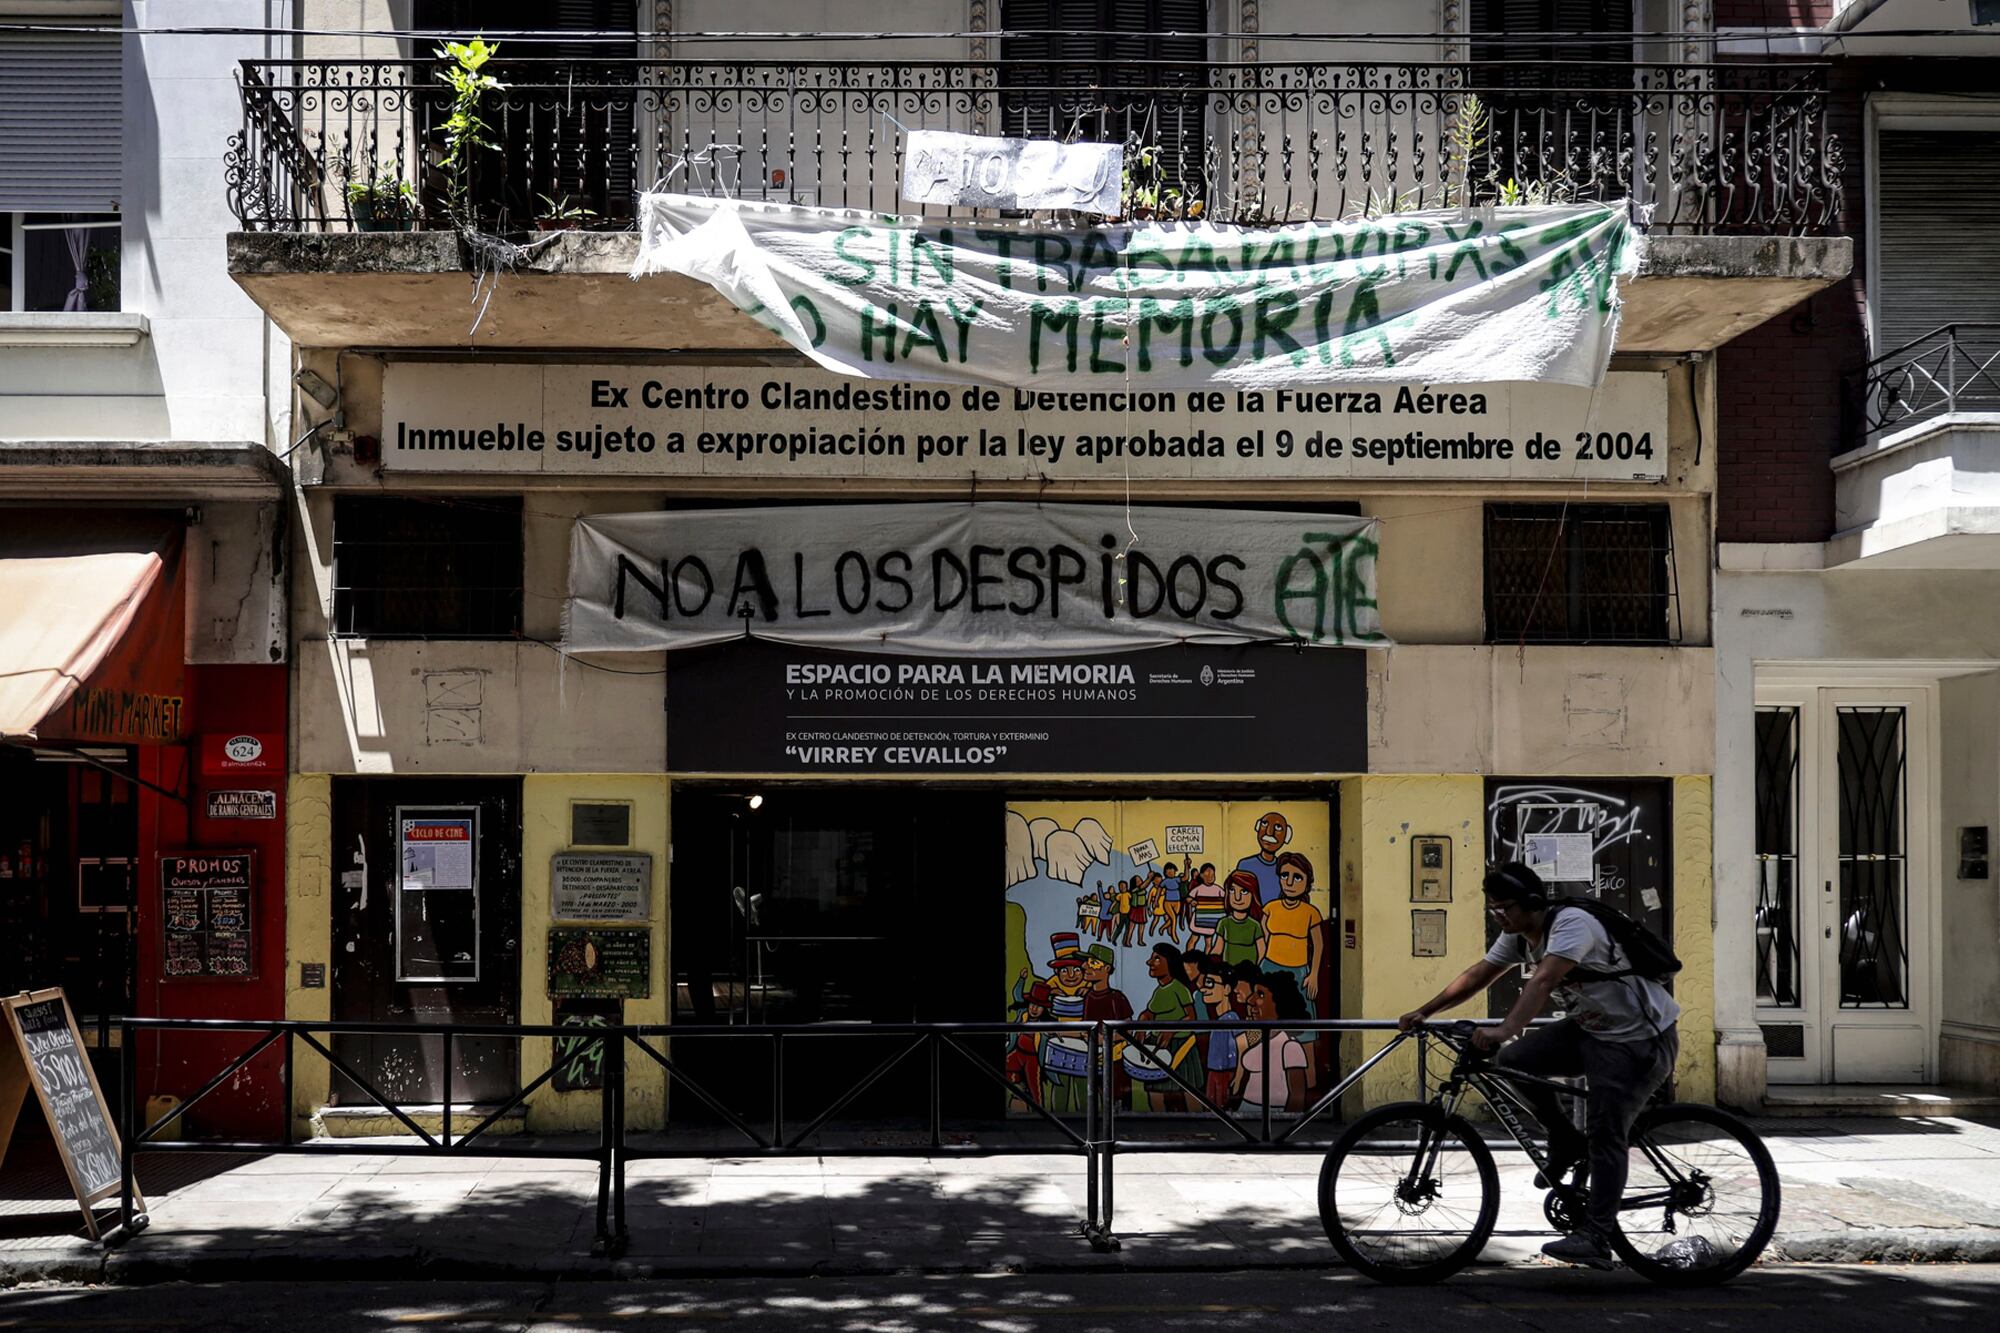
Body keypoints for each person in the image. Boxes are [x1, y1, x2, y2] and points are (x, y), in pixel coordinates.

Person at [1398, 861, 1682, 1270]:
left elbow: (1544, 980)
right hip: (1591, 1031)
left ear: (1532, 903)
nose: (1498, 916)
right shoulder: (1519, 934)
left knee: (1606, 1133)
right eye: (1492, 909)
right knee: (1515, 1060)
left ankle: (1597, 1236)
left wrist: (1505, 1028)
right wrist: (1425, 1010)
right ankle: (1564, 1138)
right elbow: (1480, 974)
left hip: (1637, 1038)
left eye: (1505, 908)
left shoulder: (1572, 925)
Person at [1233, 967, 1309, 1114]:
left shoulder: (1290, 1046)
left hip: (1272, 1116)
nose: (1251, 1000)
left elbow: (1297, 1096)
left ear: (1280, 1002)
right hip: (1246, 1113)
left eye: (1260, 994)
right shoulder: (1260, 1041)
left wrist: (1288, 1124)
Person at [1191, 954, 1240, 1111]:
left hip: (1225, 1075)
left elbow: (1242, 1047)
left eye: (1210, 983)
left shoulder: (1231, 1019)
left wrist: (1237, 1076)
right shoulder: (1220, 1020)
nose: (1204, 989)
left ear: (1226, 989)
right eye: (1205, 983)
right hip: (1215, 1074)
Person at [1234, 810, 1292, 906]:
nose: (1269, 832)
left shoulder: (1284, 868)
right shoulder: (1245, 865)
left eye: (1278, 827)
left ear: (1287, 836)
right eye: (1264, 824)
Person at [1214, 870, 1264, 966]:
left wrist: (1255, 969)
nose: (1237, 897)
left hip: (1248, 972)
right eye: (1232, 890)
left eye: (1244, 891)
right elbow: (1217, 949)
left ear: (1253, 895)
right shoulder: (1224, 923)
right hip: (1228, 971)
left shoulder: (1255, 925)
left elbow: (1261, 951)